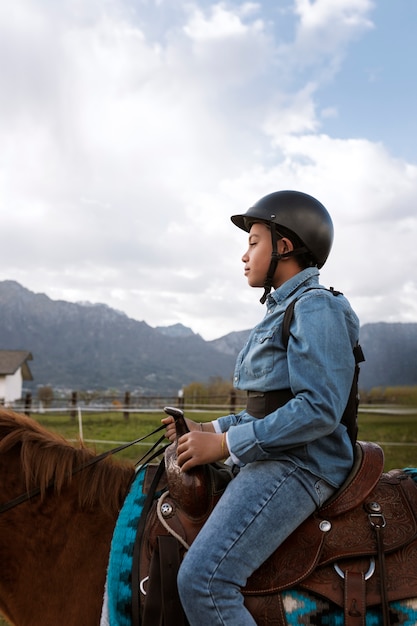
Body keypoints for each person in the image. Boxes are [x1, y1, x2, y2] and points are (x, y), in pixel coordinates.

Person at [162, 190, 360, 625]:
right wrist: (210, 427)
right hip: (281, 453)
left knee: (203, 580)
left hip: (303, 465)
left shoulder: (316, 308)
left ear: (284, 247)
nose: (244, 254)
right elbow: (268, 409)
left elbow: (318, 409)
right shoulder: (283, 309)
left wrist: (226, 444)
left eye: (253, 241)